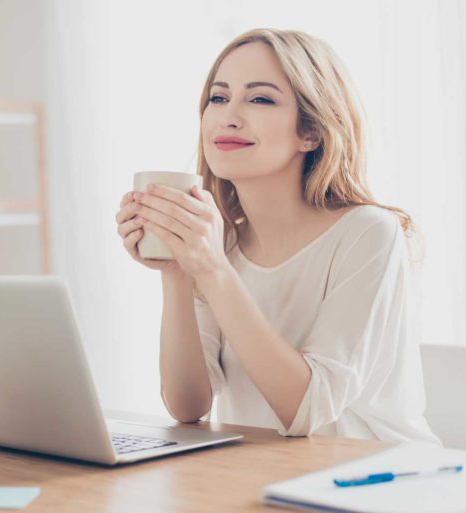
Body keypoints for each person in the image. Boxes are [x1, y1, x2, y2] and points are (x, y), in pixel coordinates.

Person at [114, 28, 440, 444]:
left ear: (312, 132)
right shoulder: (222, 243)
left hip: (378, 484)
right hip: (266, 477)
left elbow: (307, 409)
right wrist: (177, 270)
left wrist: (211, 269)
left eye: (260, 98)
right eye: (218, 97)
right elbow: (187, 405)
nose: (229, 115)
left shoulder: (368, 234)